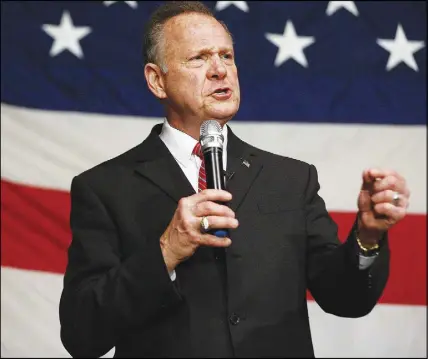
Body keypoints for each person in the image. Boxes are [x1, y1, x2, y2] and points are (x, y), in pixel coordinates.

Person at [59, 1, 410, 358]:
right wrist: (165, 252)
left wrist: (368, 234)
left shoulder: (291, 179)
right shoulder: (106, 187)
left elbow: (347, 299)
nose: (219, 70)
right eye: (198, 58)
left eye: (226, 56)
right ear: (157, 80)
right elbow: (82, 334)